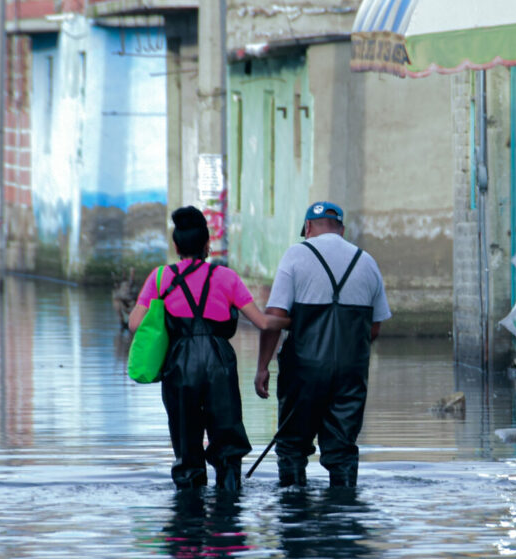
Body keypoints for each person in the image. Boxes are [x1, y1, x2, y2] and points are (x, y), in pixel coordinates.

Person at [128, 206, 290, 491]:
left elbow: (134, 325)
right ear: (207, 244)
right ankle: (228, 510)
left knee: (186, 443)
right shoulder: (226, 277)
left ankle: (188, 514)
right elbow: (264, 322)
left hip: (179, 365)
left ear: (176, 245)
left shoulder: (159, 278)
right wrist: (297, 320)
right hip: (219, 363)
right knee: (227, 443)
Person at [254, 201, 391, 488]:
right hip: (350, 373)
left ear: (307, 228)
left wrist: (262, 367)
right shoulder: (366, 261)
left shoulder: (296, 255)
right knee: (342, 449)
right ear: (341, 229)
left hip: (303, 371)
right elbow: (375, 327)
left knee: (292, 446)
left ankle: (294, 514)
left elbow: (275, 316)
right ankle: (342, 515)